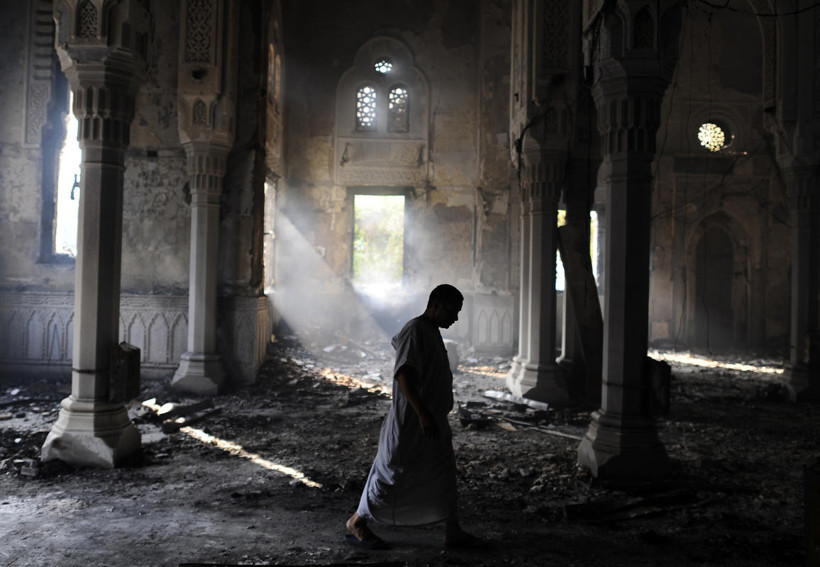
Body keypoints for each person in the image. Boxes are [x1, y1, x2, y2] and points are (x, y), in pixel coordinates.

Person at [345, 284, 484, 549]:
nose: (456, 318)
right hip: (411, 421)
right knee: (393, 474)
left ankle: (452, 530)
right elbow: (404, 375)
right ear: (435, 305)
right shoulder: (415, 330)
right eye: (452, 311)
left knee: (443, 471)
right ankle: (357, 521)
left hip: (432, 420)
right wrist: (422, 414)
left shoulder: (430, 330)